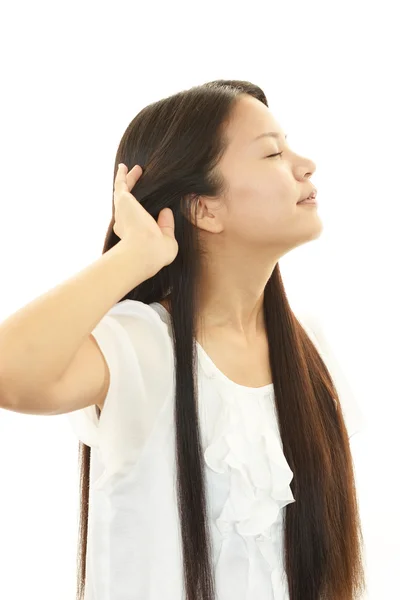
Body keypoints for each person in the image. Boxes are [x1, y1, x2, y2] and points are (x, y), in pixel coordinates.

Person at [0, 79, 366, 600]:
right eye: (272, 152)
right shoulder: (143, 344)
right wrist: (133, 258)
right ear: (204, 209)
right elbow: (9, 374)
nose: (306, 165)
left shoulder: (308, 350)